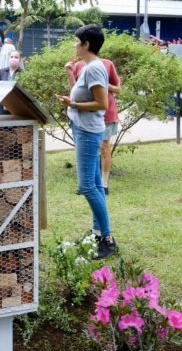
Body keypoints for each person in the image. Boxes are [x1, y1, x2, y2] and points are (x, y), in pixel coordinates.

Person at [56, 25, 117, 259]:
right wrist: (70, 89)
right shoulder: (88, 68)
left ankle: (108, 239)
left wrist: (72, 105)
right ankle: (97, 232)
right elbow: (79, 96)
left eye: (76, 41)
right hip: (83, 128)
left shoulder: (95, 69)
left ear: (87, 45)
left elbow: (102, 103)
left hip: (88, 132)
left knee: (88, 187)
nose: (74, 45)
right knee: (96, 185)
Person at [71, 57, 121, 194]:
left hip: (106, 113)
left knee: (104, 147)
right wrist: (69, 73)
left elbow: (118, 89)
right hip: (85, 115)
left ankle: (104, 184)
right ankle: (88, 183)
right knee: (87, 149)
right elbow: (74, 89)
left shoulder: (107, 64)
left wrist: (103, 83)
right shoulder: (79, 65)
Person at [0, 50, 23, 116]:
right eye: (11, 57)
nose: (13, 59)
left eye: (16, 57)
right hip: (2, 106)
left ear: (20, 60)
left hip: (17, 106)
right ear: (8, 58)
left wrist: (11, 104)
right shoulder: (1, 72)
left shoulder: (23, 73)